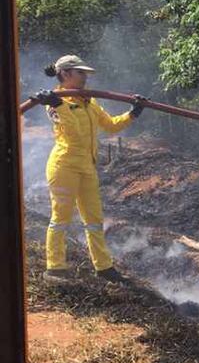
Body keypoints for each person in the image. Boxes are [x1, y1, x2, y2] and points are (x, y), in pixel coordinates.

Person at [30, 55, 147, 284]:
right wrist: (58, 105)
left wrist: (134, 112)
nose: (85, 77)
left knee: (94, 219)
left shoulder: (90, 102)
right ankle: (55, 268)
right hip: (64, 165)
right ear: (65, 74)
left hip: (87, 166)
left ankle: (103, 267)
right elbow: (73, 133)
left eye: (85, 73)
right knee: (60, 217)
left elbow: (111, 126)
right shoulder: (55, 103)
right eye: (80, 73)